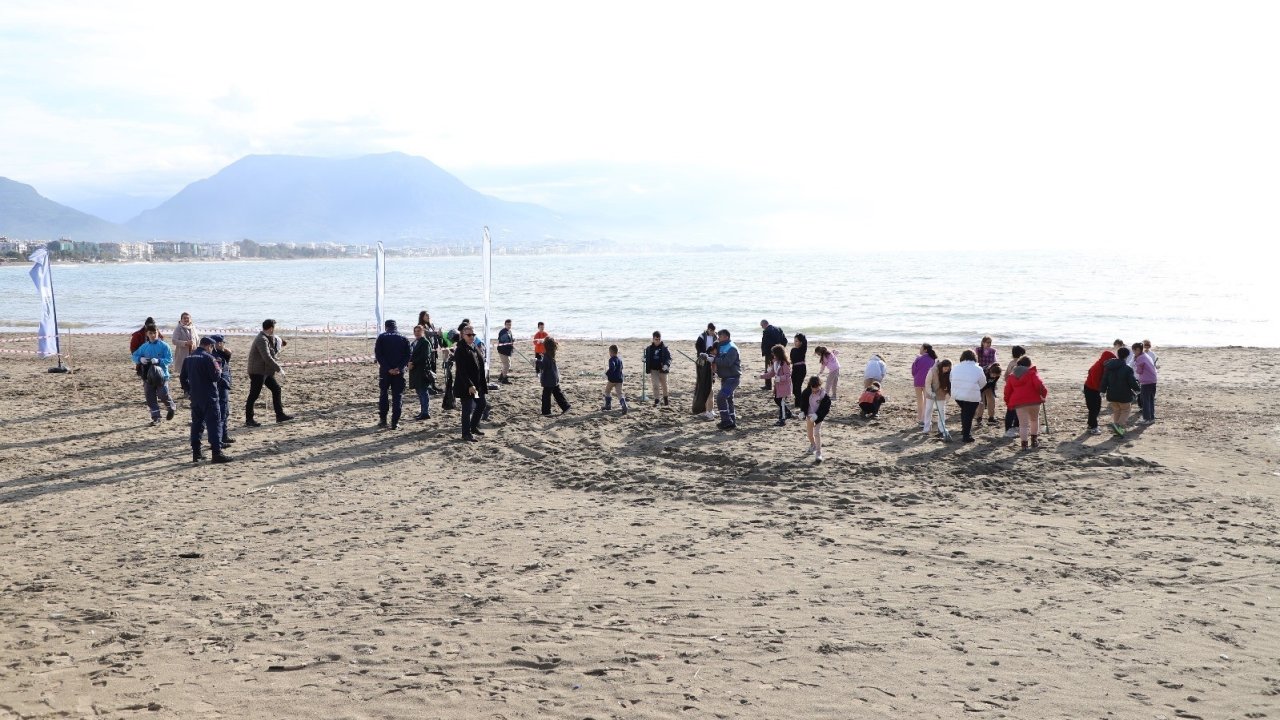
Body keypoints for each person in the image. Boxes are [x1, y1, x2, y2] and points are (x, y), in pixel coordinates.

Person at [180, 337, 229, 463]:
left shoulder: (189, 358)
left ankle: (196, 453)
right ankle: (216, 453)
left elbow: (182, 377)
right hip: (209, 395)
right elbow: (216, 377)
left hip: (195, 396)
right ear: (209, 346)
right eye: (212, 347)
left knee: (197, 424)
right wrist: (219, 368)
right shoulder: (209, 358)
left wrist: (188, 390)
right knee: (214, 423)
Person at [245, 318, 293, 426]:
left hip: (265, 371)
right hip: (258, 371)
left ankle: (280, 415)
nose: (274, 330)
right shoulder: (261, 339)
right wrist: (278, 368)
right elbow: (266, 357)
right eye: (274, 327)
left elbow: (272, 353)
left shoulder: (267, 338)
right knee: (254, 395)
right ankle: (249, 420)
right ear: (271, 328)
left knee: (276, 389)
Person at [130, 323, 176, 425]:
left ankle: (171, 407)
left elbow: (169, 359)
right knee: (150, 397)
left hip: (161, 375)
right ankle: (156, 418)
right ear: (147, 334)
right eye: (150, 333)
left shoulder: (164, 346)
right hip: (147, 376)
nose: (153, 335)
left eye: (155, 332)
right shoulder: (144, 347)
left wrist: (159, 361)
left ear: (158, 332)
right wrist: (140, 359)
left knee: (163, 394)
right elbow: (133, 356)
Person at [1004, 355, 1048, 450]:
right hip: (1034, 401)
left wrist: (1007, 401)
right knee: (1034, 420)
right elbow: (1040, 385)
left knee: (1023, 424)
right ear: (1029, 365)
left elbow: (1007, 390)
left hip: (1020, 403)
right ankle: (1034, 441)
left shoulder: (1012, 376)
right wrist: (1043, 395)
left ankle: (1024, 445)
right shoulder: (1032, 373)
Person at [374, 319, 411, 429]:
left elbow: (378, 354)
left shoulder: (382, 337)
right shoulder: (403, 337)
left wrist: (388, 368)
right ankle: (395, 422)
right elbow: (408, 355)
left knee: (384, 394)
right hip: (399, 372)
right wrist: (399, 367)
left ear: (386, 327)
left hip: (385, 372)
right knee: (397, 396)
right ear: (396, 327)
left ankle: (383, 420)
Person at [452, 325, 487, 441]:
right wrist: (469, 385)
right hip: (466, 386)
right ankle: (466, 434)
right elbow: (461, 370)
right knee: (467, 409)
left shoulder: (473, 346)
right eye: (469, 335)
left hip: (476, 386)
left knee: (481, 404)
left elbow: (479, 363)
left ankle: (473, 427)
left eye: (473, 334)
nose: (471, 336)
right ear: (462, 335)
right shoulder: (460, 349)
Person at [1101, 346, 1140, 436]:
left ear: (1117, 355)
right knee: (1126, 410)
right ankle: (1119, 425)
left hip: (1111, 394)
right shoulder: (1127, 369)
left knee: (1117, 410)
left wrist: (1102, 391)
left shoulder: (1109, 367)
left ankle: (1117, 429)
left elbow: (1104, 380)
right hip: (1124, 395)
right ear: (1127, 356)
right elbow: (1132, 382)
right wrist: (1137, 390)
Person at [951, 350, 986, 443]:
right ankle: (966, 435)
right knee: (969, 415)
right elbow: (983, 383)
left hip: (957, 394)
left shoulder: (955, 367)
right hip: (971, 395)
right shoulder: (978, 369)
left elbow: (951, 379)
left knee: (965, 412)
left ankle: (964, 430)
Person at [709, 329, 741, 430]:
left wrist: (714, 359)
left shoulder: (732, 348)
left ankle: (726, 420)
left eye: (720, 336)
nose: (718, 337)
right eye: (718, 336)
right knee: (728, 399)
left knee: (721, 397)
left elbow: (727, 362)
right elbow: (716, 356)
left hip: (732, 378)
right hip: (725, 378)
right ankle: (732, 421)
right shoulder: (720, 346)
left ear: (726, 337)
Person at [1083, 349, 1117, 435]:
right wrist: (1102, 391)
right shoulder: (1098, 367)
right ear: (1105, 359)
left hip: (1094, 389)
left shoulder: (1103, 366)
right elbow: (1095, 382)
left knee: (1096, 408)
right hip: (1091, 389)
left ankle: (1090, 424)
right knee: (1094, 409)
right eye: (1110, 360)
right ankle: (1093, 427)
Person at [800, 376, 831, 463]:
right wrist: (802, 412)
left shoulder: (823, 394)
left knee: (816, 433)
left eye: (817, 389)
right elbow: (803, 402)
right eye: (813, 389)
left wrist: (817, 415)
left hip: (818, 417)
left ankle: (818, 452)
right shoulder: (806, 392)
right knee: (810, 435)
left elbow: (826, 408)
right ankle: (813, 445)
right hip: (810, 416)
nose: (815, 391)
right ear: (810, 386)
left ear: (820, 386)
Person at [210, 335, 235, 446]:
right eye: (220, 343)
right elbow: (218, 373)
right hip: (220, 386)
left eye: (222, 343)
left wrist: (227, 353)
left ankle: (224, 436)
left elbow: (227, 363)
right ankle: (219, 439)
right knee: (221, 412)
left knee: (225, 412)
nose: (222, 345)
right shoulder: (215, 356)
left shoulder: (221, 354)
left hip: (223, 384)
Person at [760, 344, 793, 426]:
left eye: (773, 353)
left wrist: (780, 378)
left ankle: (782, 420)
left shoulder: (784, 363)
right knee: (777, 400)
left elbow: (788, 375)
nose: (772, 355)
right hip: (778, 386)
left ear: (778, 353)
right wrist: (761, 376)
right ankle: (788, 413)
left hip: (784, 386)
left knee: (781, 402)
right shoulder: (775, 362)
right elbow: (771, 374)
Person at [407, 324, 434, 420]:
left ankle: (425, 412)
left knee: (423, 391)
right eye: (415, 331)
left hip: (422, 370)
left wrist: (412, 363)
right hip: (415, 370)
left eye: (419, 331)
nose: (417, 333)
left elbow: (425, 357)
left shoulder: (425, 342)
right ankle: (423, 411)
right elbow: (410, 354)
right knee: (419, 391)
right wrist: (408, 363)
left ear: (423, 332)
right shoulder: (415, 342)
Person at [539, 336, 571, 415]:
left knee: (546, 396)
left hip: (549, 380)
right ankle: (566, 406)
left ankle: (546, 412)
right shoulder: (551, 353)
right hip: (554, 378)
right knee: (557, 393)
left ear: (546, 347)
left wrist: (536, 362)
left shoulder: (547, 356)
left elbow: (543, 366)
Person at [692, 323, 718, 416]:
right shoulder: (702, 336)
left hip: (712, 358)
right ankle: (705, 409)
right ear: (708, 329)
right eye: (711, 331)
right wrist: (703, 354)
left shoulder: (716, 336)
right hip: (703, 359)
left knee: (711, 385)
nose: (712, 333)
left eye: (713, 331)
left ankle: (709, 409)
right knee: (704, 384)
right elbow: (698, 347)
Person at [923, 358, 952, 438]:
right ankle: (927, 428)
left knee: (941, 411)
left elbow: (950, 385)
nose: (946, 370)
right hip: (931, 393)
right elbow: (927, 383)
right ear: (941, 366)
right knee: (928, 409)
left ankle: (942, 428)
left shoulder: (949, 373)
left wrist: (948, 395)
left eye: (948, 369)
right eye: (945, 368)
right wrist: (931, 393)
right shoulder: (932, 371)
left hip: (941, 394)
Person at [1002, 346, 1027, 437]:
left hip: (1011, 388)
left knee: (1010, 409)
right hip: (1019, 390)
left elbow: (1005, 376)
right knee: (1019, 409)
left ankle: (1008, 428)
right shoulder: (1022, 365)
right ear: (1021, 354)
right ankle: (1015, 426)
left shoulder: (1011, 363)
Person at [643, 331, 672, 407]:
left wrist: (667, 365)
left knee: (664, 385)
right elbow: (647, 357)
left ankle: (665, 399)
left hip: (662, 370)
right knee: (655, 385)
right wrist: (644, 359)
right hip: (653, 369)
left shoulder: (664, 348)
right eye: (656, 339)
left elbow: (669, 358)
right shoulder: (649, 348)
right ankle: (657, 400)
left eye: (659, 339)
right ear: (653, 339)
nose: (657, 341)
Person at [171, 312, 197, 394]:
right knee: (183, 373)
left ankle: (192, 389)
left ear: (190, 319)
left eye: (187, 318)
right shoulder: (178, 328)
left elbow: (197, 339)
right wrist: (185, 343)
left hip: (193, 353)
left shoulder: (193, 327)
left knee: (193, 372)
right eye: (184, 318)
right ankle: (186, 390)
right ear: (181, 319)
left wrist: (197, 347)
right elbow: (174, 341)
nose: (186, 319)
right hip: (182, 353)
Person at [911, 344, 937, 425]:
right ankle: (924, 419)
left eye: (921, 348)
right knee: (927, 401)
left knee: (919, 401)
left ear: (925, 350)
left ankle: (920, 419)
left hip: (917, 382)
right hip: (927, 383)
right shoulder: (933, 359)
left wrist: (916, 376)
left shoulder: (918, 359)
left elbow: (913, 371)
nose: (920, 349)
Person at [1133, 342, 1158, 424]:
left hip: (1146, 382)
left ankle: (1147, 419)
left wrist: (1135, 361)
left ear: (1138, 350)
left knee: (1145, 400)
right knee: (1150, 400)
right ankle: (1151, 418)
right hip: (1153, 380)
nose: (1134, 352)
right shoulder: (1146, 355)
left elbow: (1139, 371)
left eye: (1134, 350)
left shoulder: (1140, 358)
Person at [758, 320, 786, 390]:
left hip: (770, 353)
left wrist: (765, 352)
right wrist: (781, 348)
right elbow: (785, 340)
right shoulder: (778, 329)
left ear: (764, 324)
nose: (762, 327)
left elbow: (765, 343)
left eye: (762, 326)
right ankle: (780, 384)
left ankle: (768, 386)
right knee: (780, 368)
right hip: (779, 352)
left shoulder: (767, 331)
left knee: (768, 369)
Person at [975, 336, 997, 418]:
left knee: (990, 396)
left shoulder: (993, 351)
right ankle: (979, 416)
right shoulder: (978, 350)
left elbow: (995, 362)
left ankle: (991, 416)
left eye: (990, 342)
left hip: (990, 375)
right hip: (980, 374)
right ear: (983, 342)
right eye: (987, 342)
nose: (989, 344)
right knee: (981, 397)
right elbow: (975, 361)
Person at [602, 344, 628, 412]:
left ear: (611, 352)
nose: (609, 353)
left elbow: (612, 367)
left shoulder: (611, 360)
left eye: (609, 352)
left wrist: (606, 374)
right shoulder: (620, 359)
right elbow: (622, 367)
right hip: (620, 379)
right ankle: (623, 404)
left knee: (607, 391)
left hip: (613, 379)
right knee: (619, 393)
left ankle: (608, 405)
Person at [789, 333, 808, 414]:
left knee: (798, 386)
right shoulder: (793, 349)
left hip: (801, 369)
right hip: (795, 368)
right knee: (793, 386)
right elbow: (791, 360)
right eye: (794, 341)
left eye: (797, 341)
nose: (795, 342)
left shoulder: (803, 349)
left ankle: (798, 403)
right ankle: (798, 401)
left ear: (801, 342)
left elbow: (804, 342)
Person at [497, 319, 514, 383]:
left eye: (510, 325)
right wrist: (510, 343)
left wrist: (512, 341)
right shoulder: (503, 332)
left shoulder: (509, 331)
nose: (509, 326)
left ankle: (501, 376)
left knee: (508, 364)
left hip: (507, 350)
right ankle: (504, 378)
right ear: (505, 325)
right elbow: (504, 341)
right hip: (503, 350)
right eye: (508, 325)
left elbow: (510, 340)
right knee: (506, 365)